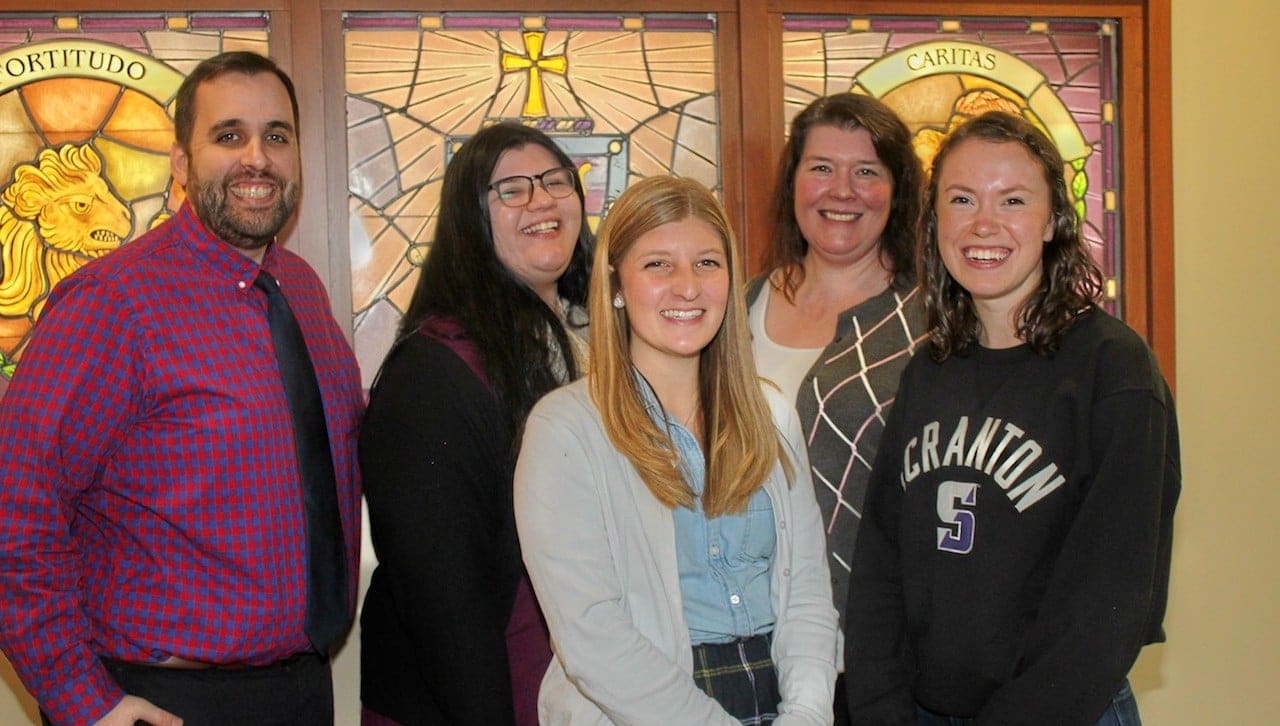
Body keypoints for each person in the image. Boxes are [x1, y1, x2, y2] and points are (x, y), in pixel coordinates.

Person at [0, 51, 364, 726]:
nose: (257, 158)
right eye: (229, 136)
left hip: (300, 689)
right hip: (160, 701)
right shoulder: (113, 304)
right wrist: (83, 700)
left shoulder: (303, 291)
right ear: (180, 163)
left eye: (277, 136)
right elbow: (15, 506)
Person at [843, 111, 1180, 725]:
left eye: (1014, 199)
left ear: (1053, 221)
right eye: (961, 199)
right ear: (935, 220)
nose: (984, 224)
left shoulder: (1113, 370)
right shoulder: (928, 375)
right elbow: (880, 573)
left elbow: (1109, 602)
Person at [516, 176, 838, 725]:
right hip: (642, 708)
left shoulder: (772, 415)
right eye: (658, 265)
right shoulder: (566, 429)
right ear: (617, 283)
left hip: (775, 697)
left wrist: (807, 714)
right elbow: (591, 633)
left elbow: (807, 593)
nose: (688, 287)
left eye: (708, 263)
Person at [358, 122, 592, 726]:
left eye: (555, 181)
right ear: (470, 221)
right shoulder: (436, 371)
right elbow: (442, 598)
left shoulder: (589, 344)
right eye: (510, 190)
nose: (541, 200)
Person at [746, 93, 926, 724]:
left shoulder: (935, 322)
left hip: (881, 661)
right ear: (793, 181)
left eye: (867, 171)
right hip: (750, 647)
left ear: (898, 190)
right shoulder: (732, 309)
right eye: (821, 167)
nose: (841, 190)